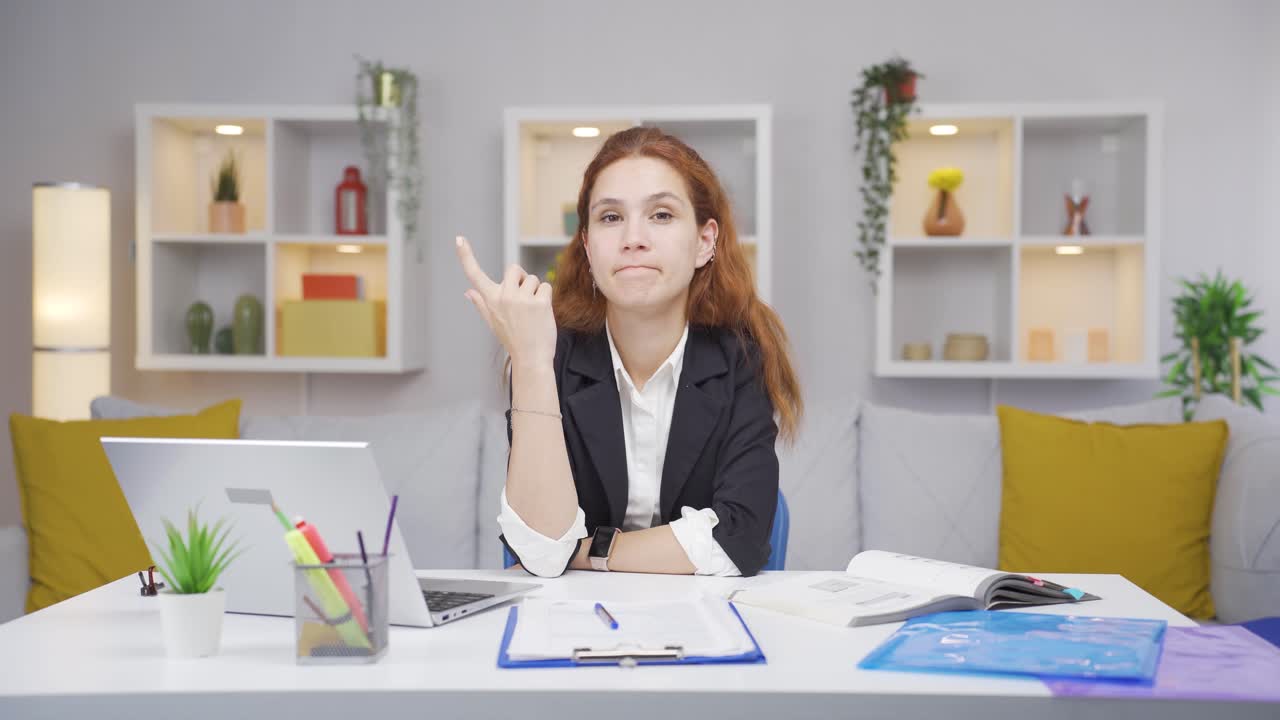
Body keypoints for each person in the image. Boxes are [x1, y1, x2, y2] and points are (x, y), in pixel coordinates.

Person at [455, 126, 801, 578]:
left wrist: (591, 552)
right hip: (570, 622)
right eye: (611, 217)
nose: (633, 238)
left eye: (660, 215)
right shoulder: (552, 353)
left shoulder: (740, 356)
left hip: (705, 621)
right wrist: (531, 362)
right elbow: (540, 552)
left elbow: (738, 539)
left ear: (704, 241)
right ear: (587, 245)